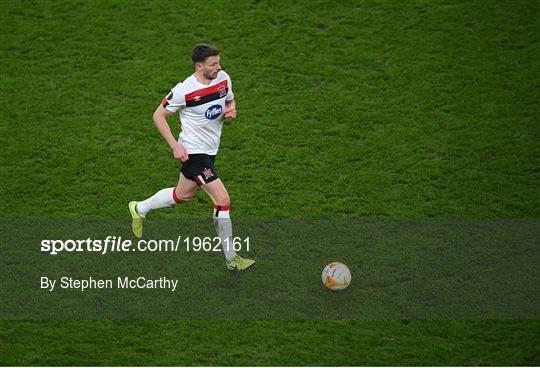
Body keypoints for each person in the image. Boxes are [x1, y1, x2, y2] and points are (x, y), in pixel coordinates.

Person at [129, 44, 255, 271]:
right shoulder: (184, 90)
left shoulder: (223, 78)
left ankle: (139, 209)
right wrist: (175, 146)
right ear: (199, 66)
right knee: (222, 199)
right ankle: (232, 259)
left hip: (210, 150)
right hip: (193, 152)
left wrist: (231, 110)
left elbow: (229, 100)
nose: (219, 67)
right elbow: (158, 115)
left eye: (219, 62)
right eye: (213, 64)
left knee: (182, 195)